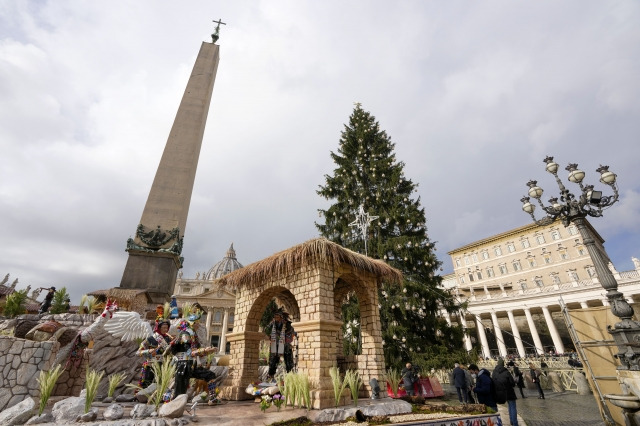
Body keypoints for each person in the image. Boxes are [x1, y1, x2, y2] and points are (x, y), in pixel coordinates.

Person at [169, 310, 219, 402]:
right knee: (179, 392)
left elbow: (196, 352)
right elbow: (189, 352)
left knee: (210, 375)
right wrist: (205, 350)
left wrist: (207, 352)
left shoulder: (193, 336)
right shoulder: (185, 334)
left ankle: (212, 398)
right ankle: (171, 403)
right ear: (191, 323)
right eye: (196, 323)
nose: (198, 325)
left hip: (191, 365)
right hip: (183, 366)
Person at [267, 308, 296, 379]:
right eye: (275, 317)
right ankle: (271, 376)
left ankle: (290, 377)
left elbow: (293, 331)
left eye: (277, 317)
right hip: (275, 345)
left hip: (285, 344)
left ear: (281, 317)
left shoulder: (287, 324)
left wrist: (288, 338)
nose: (276, 318)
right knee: (272, 361)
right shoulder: (272, 324)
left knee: (288, 361)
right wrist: (269, 337)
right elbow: (266, 331)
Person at [493, 359, 519, 426]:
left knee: (509, 406)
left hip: (500, 393)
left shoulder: (494, 372)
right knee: (512, 406)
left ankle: (512, 421)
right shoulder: (506, 372)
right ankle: (514, 423)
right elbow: (512, 383)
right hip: (509, 391)